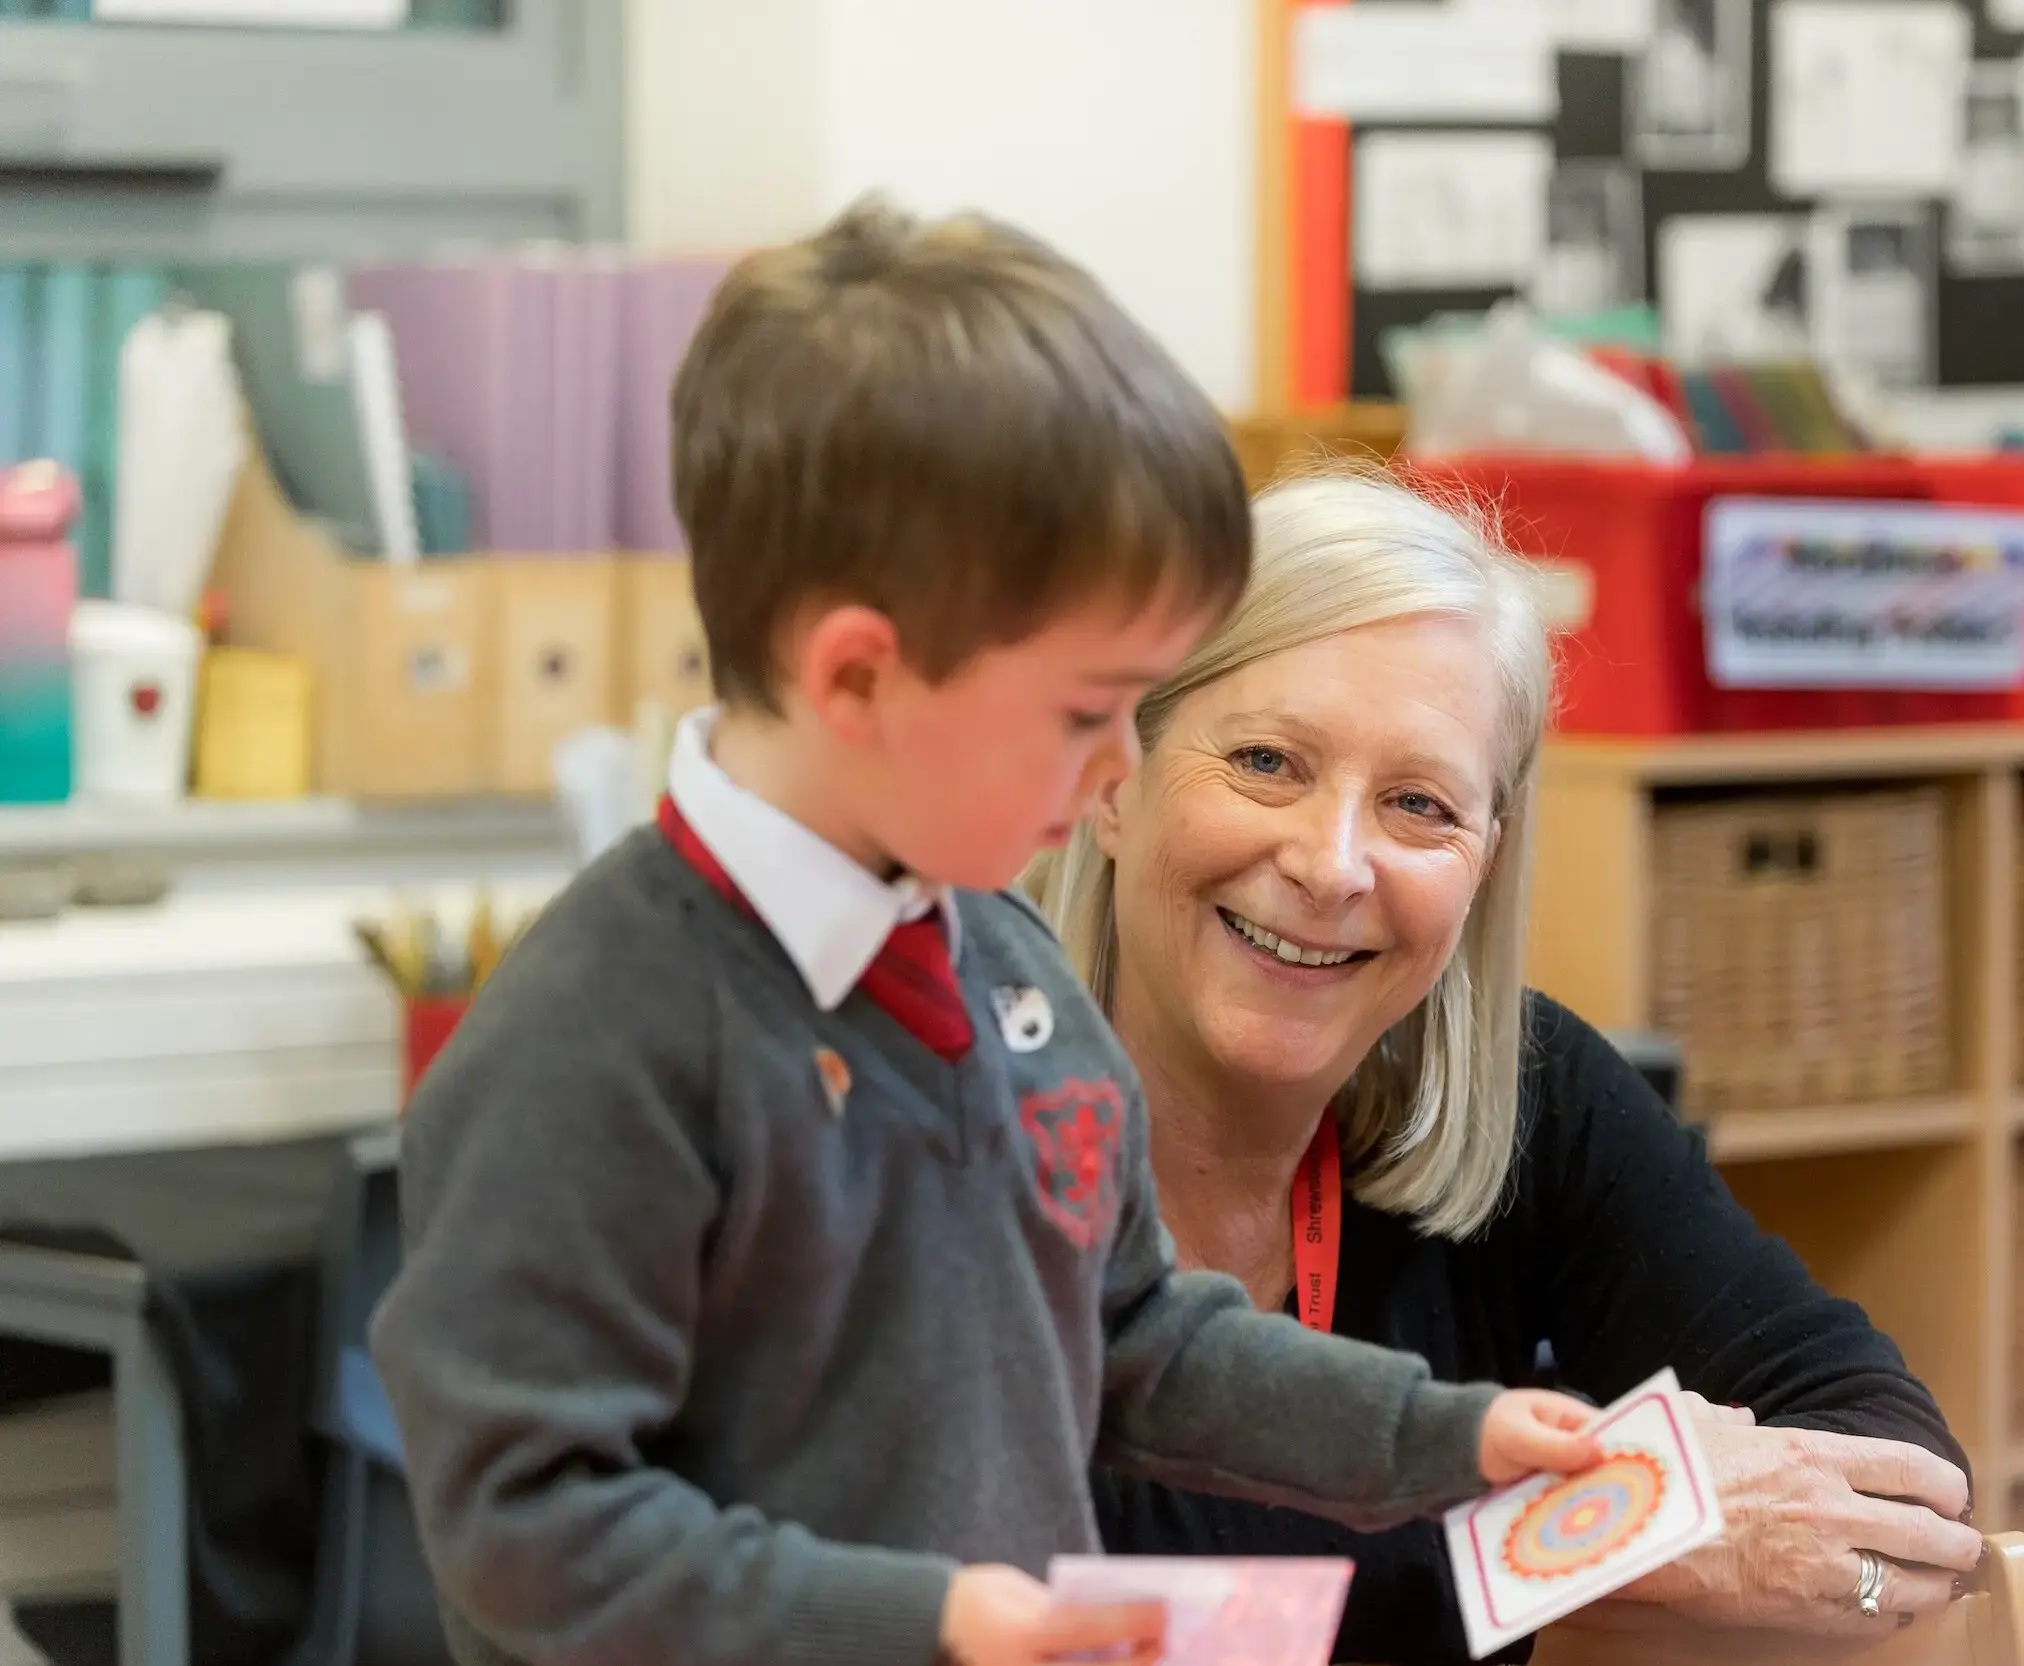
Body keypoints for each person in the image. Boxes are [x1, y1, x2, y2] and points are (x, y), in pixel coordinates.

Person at [365, 204, 1610, 1666]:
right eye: (1087, 713)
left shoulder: (1004, 965)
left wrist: (1443, 1435)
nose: (1123, 770)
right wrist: (931, 1620)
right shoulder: (598, 1040)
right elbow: (525, 1526)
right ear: (858, 680)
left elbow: (1134, 1333)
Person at [1031, 473, 1983, 1664]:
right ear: (1112, 779)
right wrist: (1604, 1527)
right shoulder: (937, 1112)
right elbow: (1037, 1603)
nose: (1333, 864)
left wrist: (1584, 1529)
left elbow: (1894, 1466)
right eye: (1267, 761)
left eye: (1417, 803)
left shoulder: (1526, 1094)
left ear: (1486, 856)